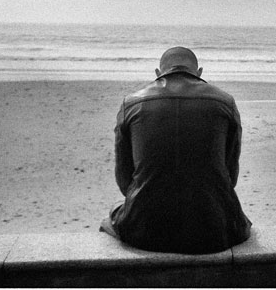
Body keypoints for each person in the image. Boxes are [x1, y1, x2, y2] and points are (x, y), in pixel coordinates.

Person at [100, 47, 251, 254]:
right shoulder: (225, 102)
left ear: (157, 73)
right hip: (215, 231)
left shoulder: (131, 104)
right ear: (199, 72)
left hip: (144, 231)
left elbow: (124, 182)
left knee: (110, 216)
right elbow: (230, 178)